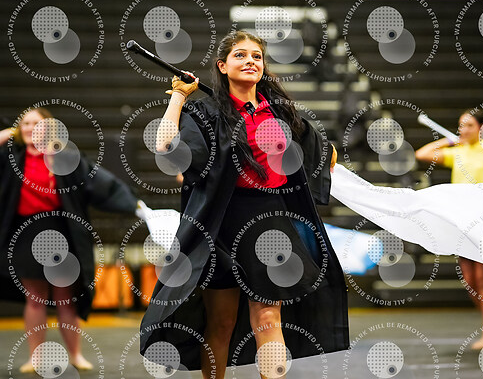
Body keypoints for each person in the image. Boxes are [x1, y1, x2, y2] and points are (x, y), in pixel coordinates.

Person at [140, 30, 348, 379]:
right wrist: (178, 96)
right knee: (220, 323)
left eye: (256, 56)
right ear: (222, 66)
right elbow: (165, 147)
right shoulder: (205, 111)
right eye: (240, 55)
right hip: (221, 223)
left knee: (268, 316)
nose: (250, 61)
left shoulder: (279, 112)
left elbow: (323, 155)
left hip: (270, 221)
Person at [0, 107, 139, 371]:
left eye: (36, 123)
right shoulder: (11, 158)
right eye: (25, 123)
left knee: (65, 298)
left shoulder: (64, 157)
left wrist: (134, 204)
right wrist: (6, 134)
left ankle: (75, 355)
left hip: (61, 231)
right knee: (35, 298)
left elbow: (100, 182)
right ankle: (36, 357)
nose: (29, 128)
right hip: (26, 233)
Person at [416, 109, 483, 349]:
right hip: (464, 224)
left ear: (481, 128)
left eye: (469, 125)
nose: (464, 130)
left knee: (482, 277)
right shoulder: (457, 153)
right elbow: (422, 154)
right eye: (461, 125)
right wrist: (449, 140)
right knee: (470, 281)